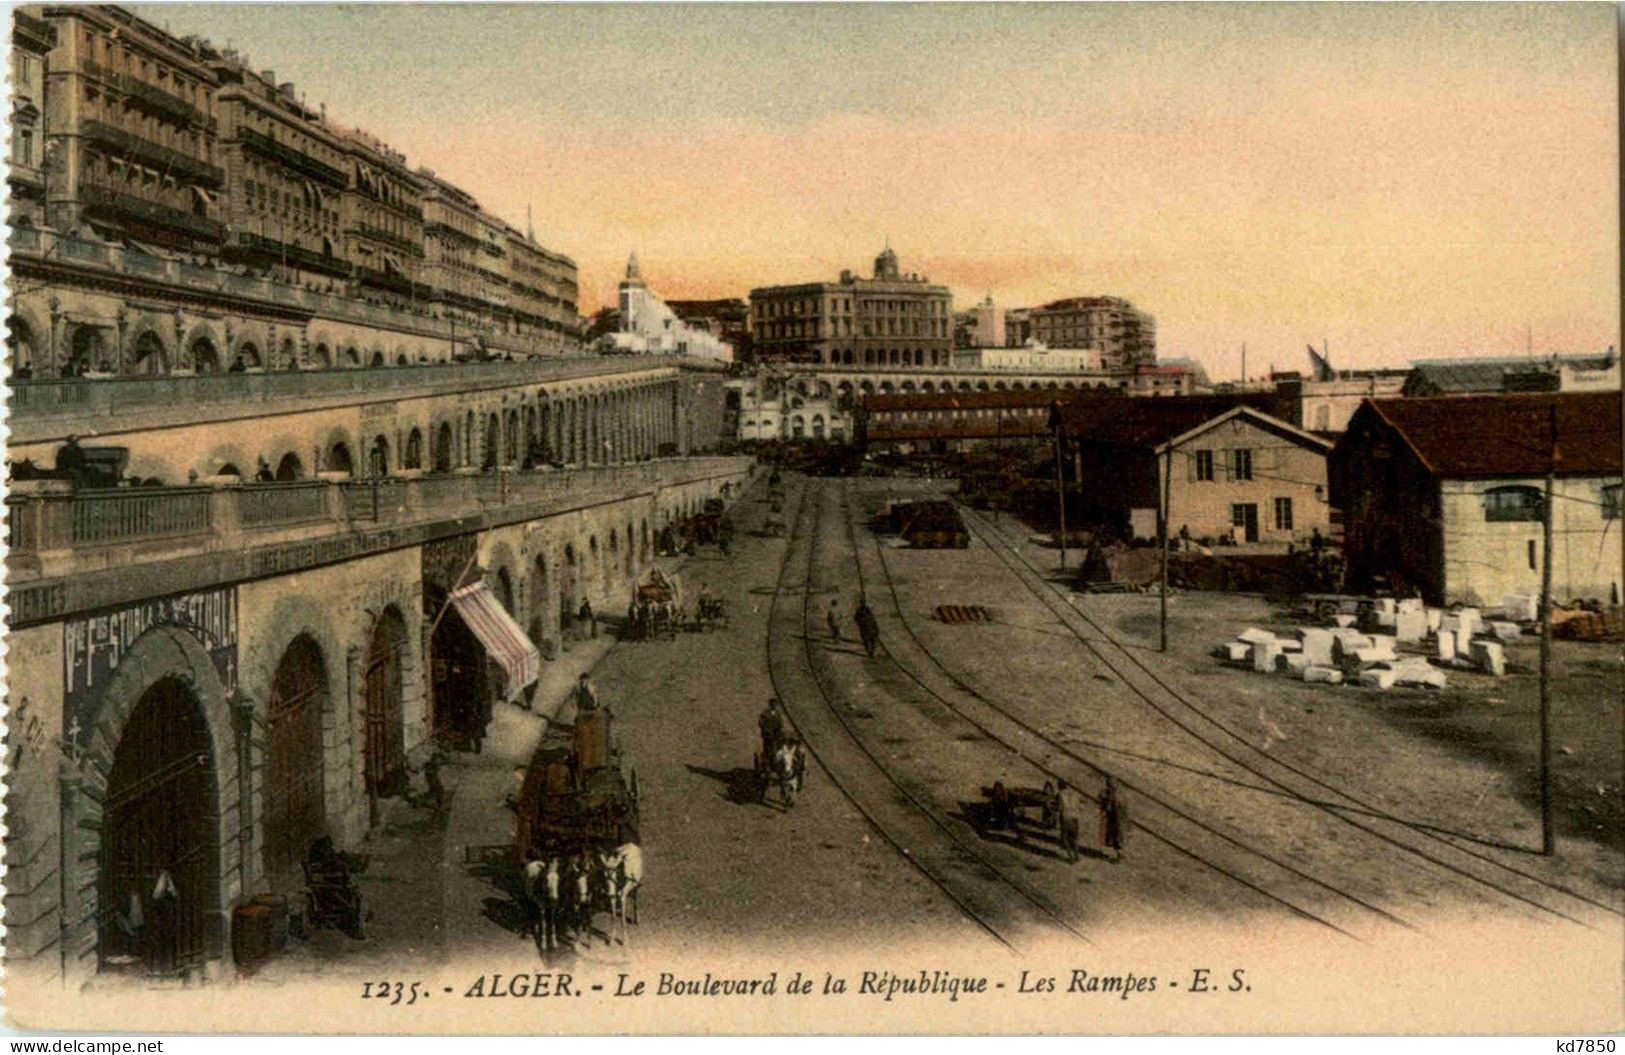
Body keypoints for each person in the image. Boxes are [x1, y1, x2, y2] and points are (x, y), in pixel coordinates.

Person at [1098, 776, 1124, 862]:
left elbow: (1108, 808)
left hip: (1114, 820)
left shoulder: (1111, 796)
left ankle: (1118, 855)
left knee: (1113, 837)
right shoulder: (1118, 794)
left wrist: (1104, 802)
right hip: (1120, 819)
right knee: (1117, 837)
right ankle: (1119, 854)